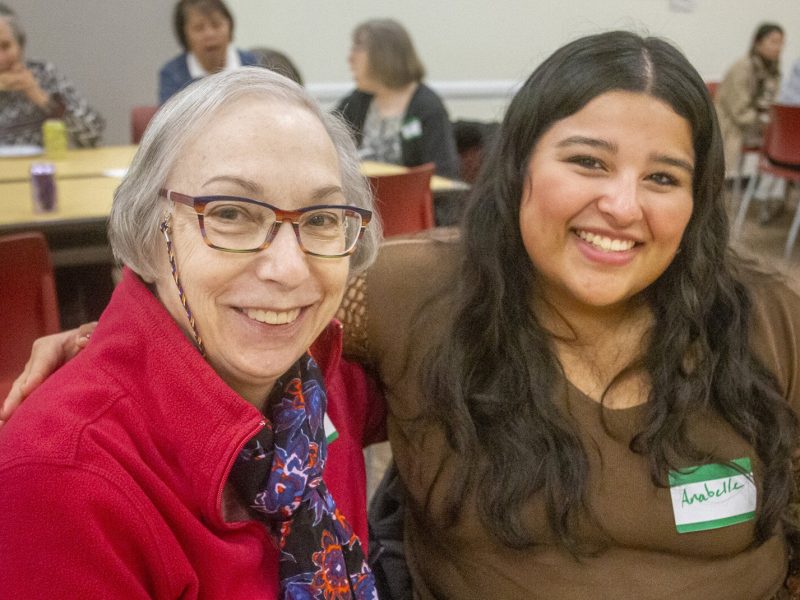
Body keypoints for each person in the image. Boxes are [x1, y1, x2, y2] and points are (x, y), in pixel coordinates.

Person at [7, 30, 800, 599]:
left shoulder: (769, 316)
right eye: (587, 161)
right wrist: (112, 344)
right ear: (518, 165)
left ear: (697, 202)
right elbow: (251, 311)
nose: (622, 204)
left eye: (664, 178)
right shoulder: (415, 292)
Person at [0, 67, 384, 599]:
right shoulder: (62, 480)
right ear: (147, 233)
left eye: (320, 219)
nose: (289, 269)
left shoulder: (325, 381)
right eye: (230, 213)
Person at [336, 19, 459, 179]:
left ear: (383, 55)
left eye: (357, 48)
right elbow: (327, 140)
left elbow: (444, 174)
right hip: (361, 200)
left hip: (409, 200)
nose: (350, 59)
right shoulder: (358, 101)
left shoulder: (427, 106)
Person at [0, 3, 104, 147]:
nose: (1, 58)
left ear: (20, 46)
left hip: (40, 167)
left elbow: (94, 136)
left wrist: (42, 98)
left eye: (5, 46)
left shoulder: (44, 74)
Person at [715, 23, 786, 224]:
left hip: (754, 127)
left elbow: (769, 103)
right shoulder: (743, 68)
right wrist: (767, 124)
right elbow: (740, 112)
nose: (778, 47)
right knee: (781, 146)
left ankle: (772, 201)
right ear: (758, 42)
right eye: (773, 41)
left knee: (786, 146)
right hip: (731, 127)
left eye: (781, 43)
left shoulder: (772, 71)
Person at [158, 0, 258, 104]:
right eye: (199, 28)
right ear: (184, 35)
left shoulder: (251, 64)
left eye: (216, 25)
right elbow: (173, 119)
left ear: (230, 27)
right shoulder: (172, 74)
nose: (209, 34)